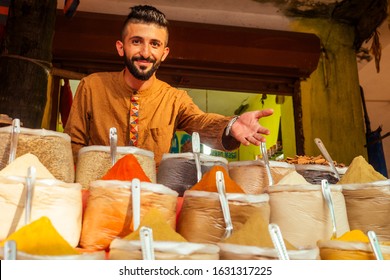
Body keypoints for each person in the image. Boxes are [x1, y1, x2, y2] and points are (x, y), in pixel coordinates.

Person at [64, 5, 274, 167]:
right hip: (99, 194)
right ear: (121, 47)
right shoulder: (92, 86)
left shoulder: (174, 99)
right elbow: (74, 145)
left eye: (155, 44)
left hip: (152, 198)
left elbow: (199, 121)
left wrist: (231, 125)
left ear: (164, 53)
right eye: (137, 41)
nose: (146, 53)